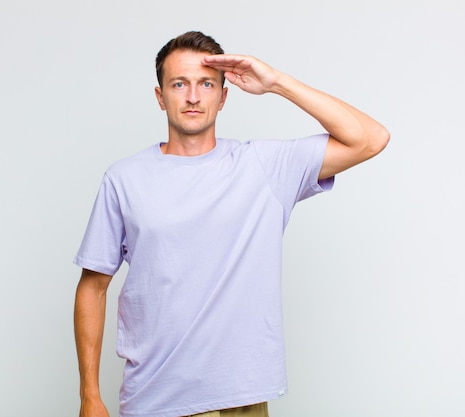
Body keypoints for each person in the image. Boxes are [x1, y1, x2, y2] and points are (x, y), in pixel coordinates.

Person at [73, 31, 389, 417]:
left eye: (206, 84)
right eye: (179, 84)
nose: (193, 96)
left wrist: (276, 82)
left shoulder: (264, 166)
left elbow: (370, 139)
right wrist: (89, 394)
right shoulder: (124, 179)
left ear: (223, 97)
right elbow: (93, 287)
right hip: (157, 400)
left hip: (243, 398)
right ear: (161, 97)